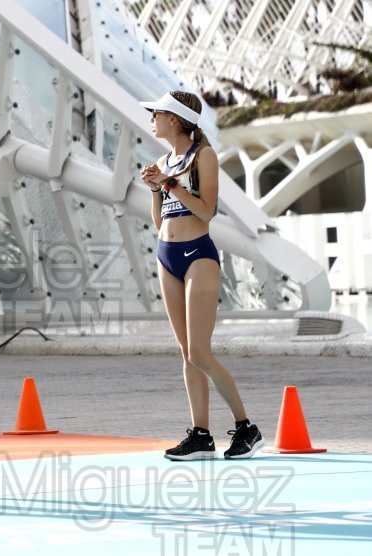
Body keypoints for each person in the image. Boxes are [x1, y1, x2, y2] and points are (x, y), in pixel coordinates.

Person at [138, 91, 264, 461]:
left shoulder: (202, 156)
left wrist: (169, 183)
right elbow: (160, 221)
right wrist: (154, 190)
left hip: (197, 255)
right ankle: (201, 434)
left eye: (156, 113)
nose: (152, 119)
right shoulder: (164, 159)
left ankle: (246, 427)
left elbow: (206, 211)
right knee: (186, 353)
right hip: (167, 254)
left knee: (200, 352)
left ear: (175, 119)